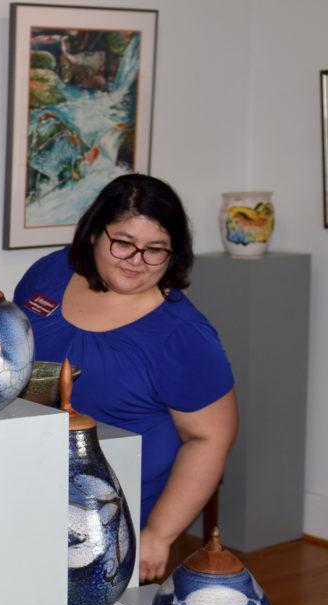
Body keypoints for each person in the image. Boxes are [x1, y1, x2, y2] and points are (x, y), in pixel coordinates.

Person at [13, 173, 238, 583]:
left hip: (113, 520)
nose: (137, 261)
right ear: (95, 234)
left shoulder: (182, 336)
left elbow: (210, 438)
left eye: (156, 250)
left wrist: (159, 534)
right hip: (27, 492)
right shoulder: (50, 273)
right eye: (123, 243)